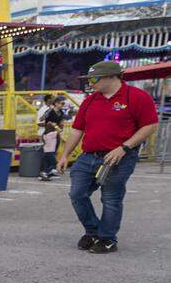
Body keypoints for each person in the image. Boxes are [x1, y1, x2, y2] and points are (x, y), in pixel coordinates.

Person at [58, 61, 159, 254]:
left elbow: (150, 126)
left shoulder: (136, 97)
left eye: (94, 79)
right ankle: (93, 231)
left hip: (119, 157)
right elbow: (78, 129)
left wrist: (124, 147)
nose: (90, 83)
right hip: (88, 156)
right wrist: (65, 155)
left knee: (111, 198)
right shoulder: (90, 100)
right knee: (77, 194)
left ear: (112, 77)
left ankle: (107, 238)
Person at [38, 95, 66, 181]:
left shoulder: (61, 112)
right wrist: (49, 123)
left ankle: (47, 172)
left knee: (52, 153)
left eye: (63, 103)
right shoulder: (49, 110)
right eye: (62, 103)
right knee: (49, 154)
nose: (63, 105)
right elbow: (41, 119)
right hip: (48, 133)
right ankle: (45, 171)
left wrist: (61, 126)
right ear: (56, 103)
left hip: (56, 133)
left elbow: (61, 122)